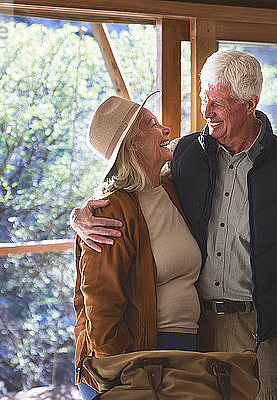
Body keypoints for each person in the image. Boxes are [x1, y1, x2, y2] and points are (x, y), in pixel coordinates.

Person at [71, 49, 277, 400]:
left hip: (262, 327)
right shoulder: (186, 153)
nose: (206, 112)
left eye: (218, 103)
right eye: (205, 99)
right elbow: (126, 179)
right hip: (199, 330)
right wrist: (79, 214)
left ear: (250, 103)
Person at [73, 92, 202, 400]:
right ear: (133, 145)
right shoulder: (109, 212)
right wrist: (119, 376)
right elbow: (101, 306)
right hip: (135, 362)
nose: (167, 130)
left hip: (183, 352)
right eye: (154, 124)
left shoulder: (172, 190)